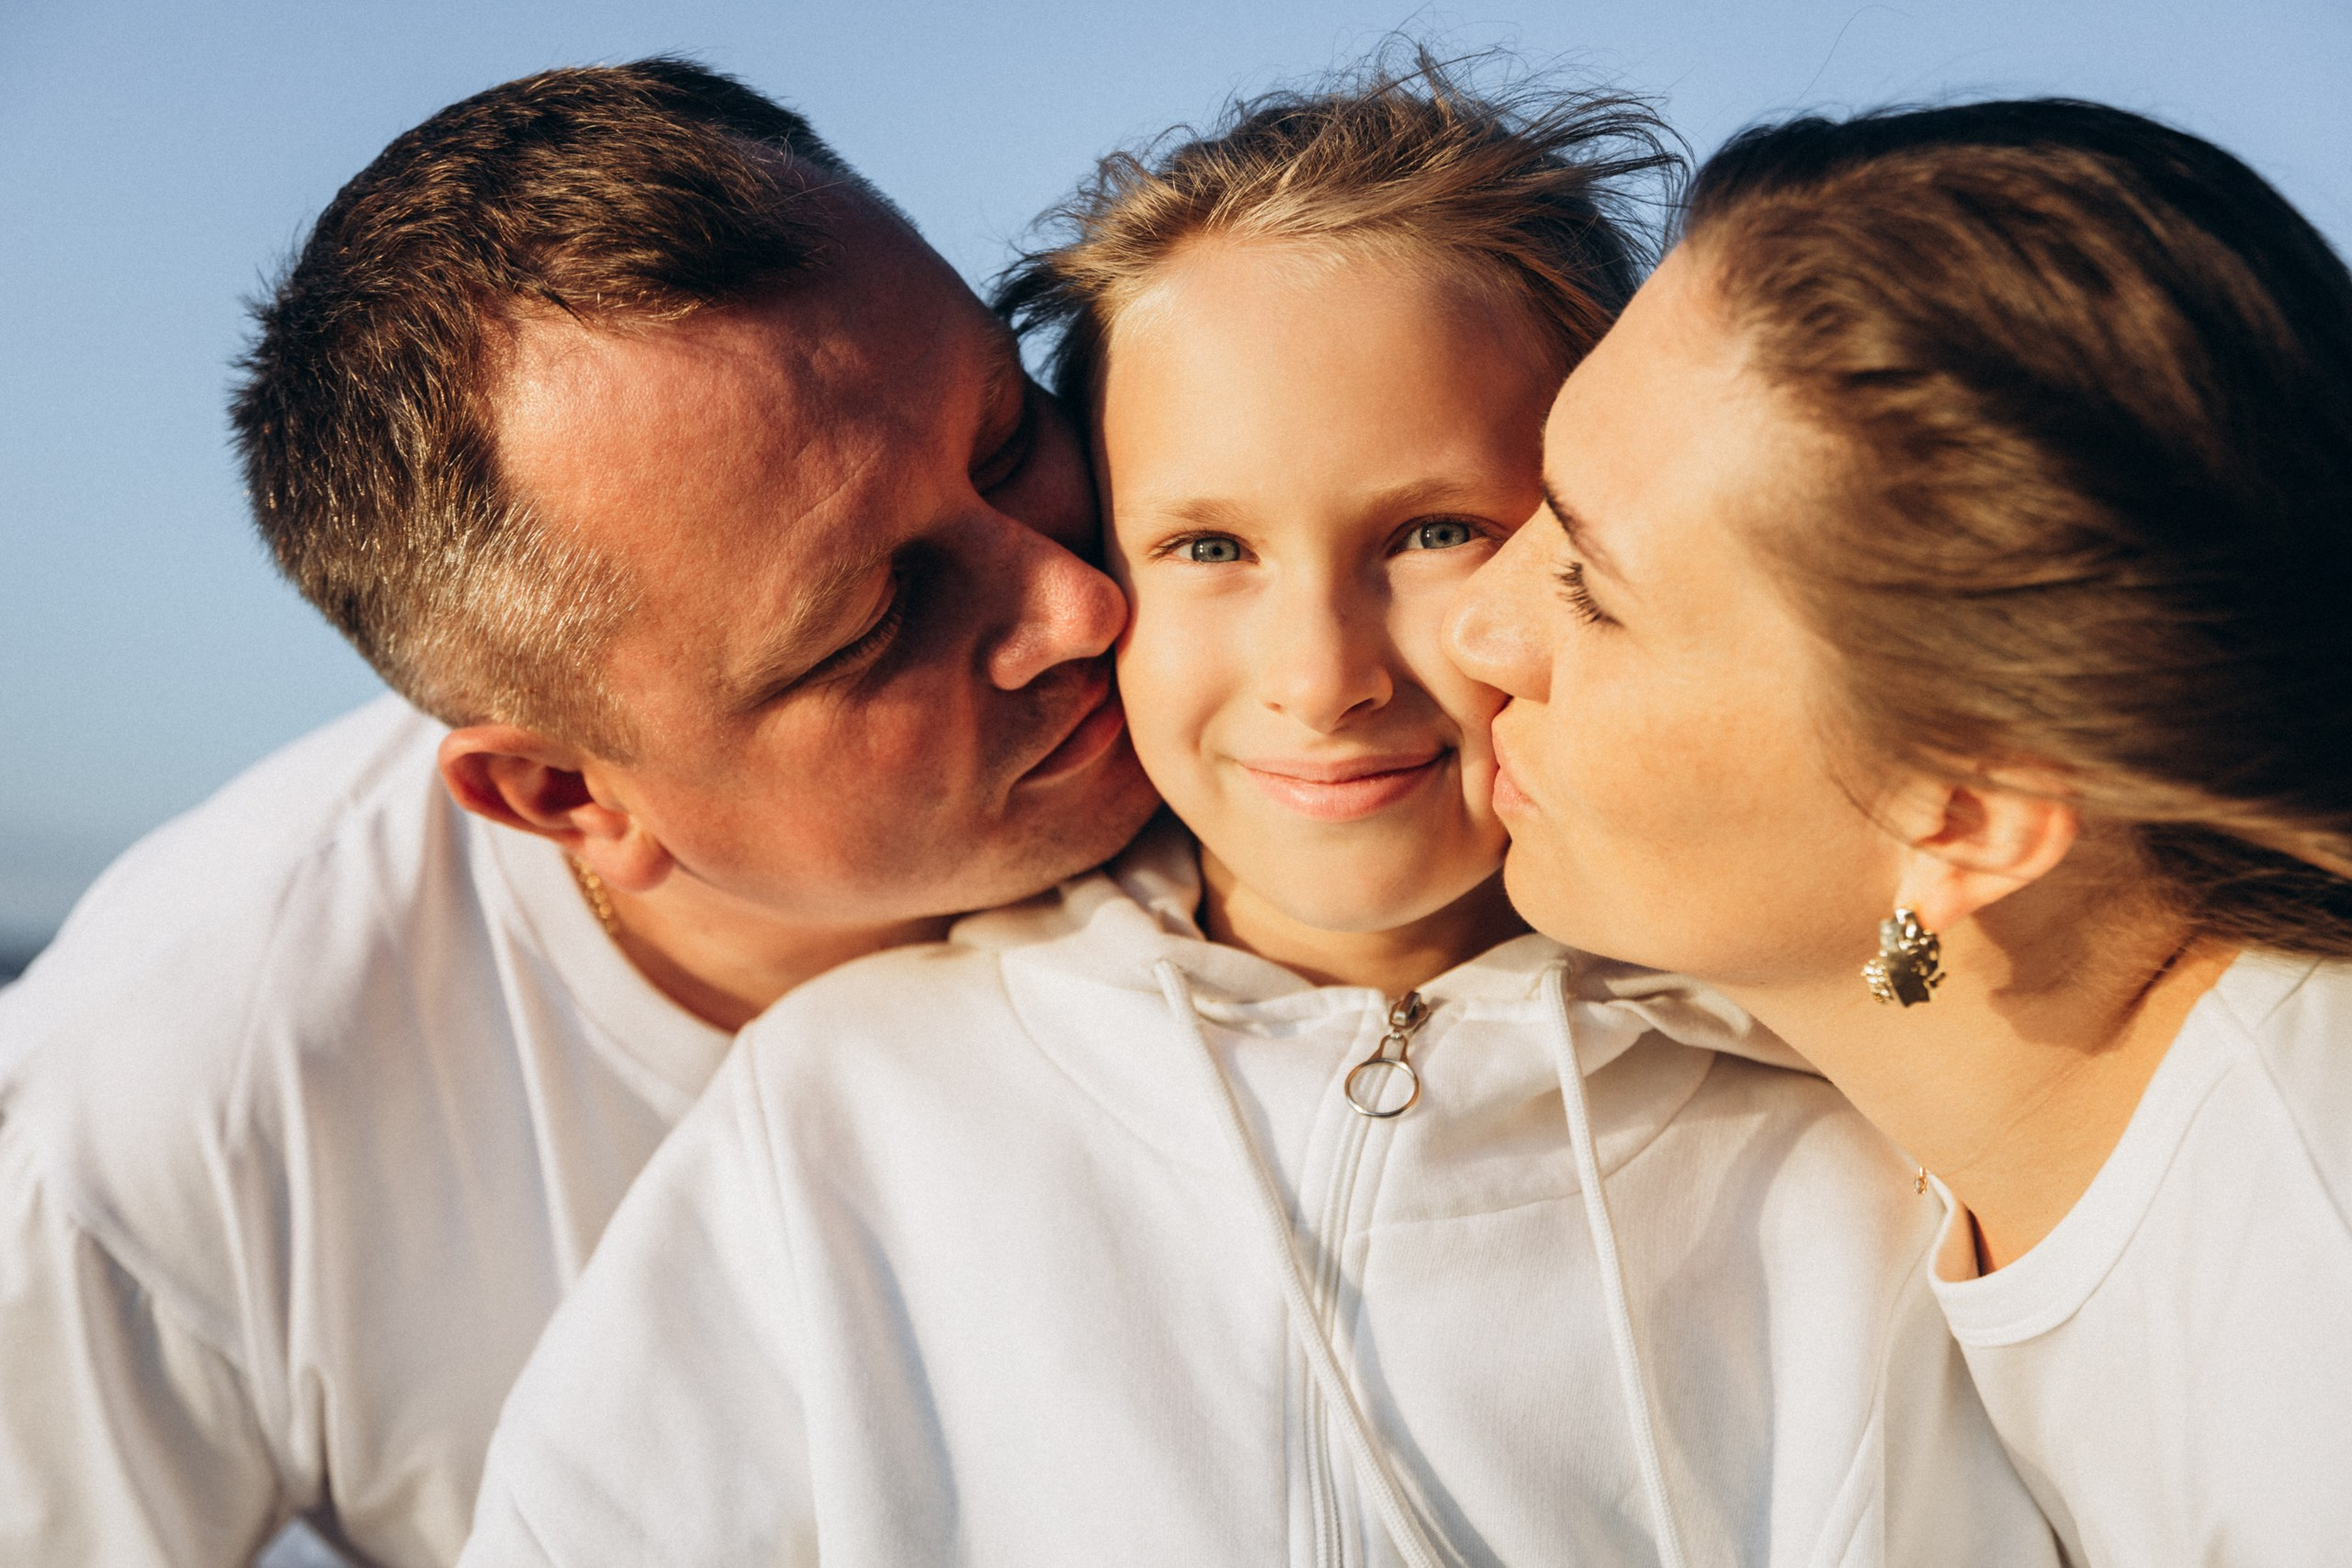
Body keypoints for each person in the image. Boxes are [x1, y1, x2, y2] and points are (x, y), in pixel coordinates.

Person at [458, 66, 2057, 1568]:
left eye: (1435, 530)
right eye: (1209, 548)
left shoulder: (1837, 1132)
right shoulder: (850, 1112)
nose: (1322, 677)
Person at [0, 59, 1158, 1568]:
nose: (1079, 605)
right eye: (875, 623)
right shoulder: (177, 1113)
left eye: (1005, 439)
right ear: (562, 794)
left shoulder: (1301, 727)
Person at [1445, 99, 2352, 1566]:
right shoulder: (2033, 1123)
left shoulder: (2311, 1313)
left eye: (1591, 590)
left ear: (1970, 818)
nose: (1474, 627)